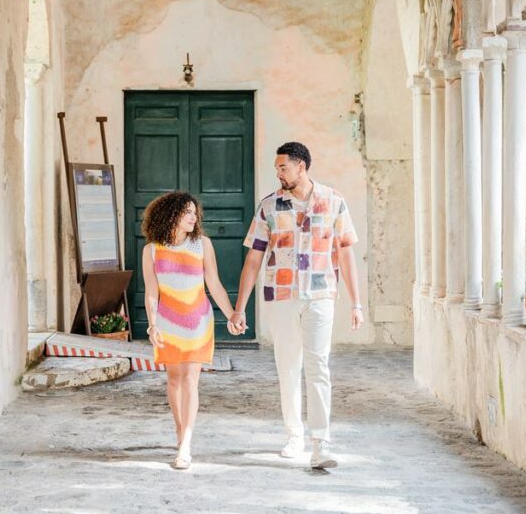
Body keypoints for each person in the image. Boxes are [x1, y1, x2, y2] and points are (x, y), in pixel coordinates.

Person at [228, 141, 363, 469]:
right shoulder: (269, 207)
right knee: (288, 368)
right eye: (277, 168)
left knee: (319, 367)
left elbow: (345, 253)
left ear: (301, 167)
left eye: (283, 167)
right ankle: (294, 435)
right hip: (282, 297)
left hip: (320, 297)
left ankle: (321, 442)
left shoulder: (334, 202)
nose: (278, 173)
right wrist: (239, 307)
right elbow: (253, 259)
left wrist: (356, 303)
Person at [142, 191, 236, 470]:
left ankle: (186, 445)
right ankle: (179, 430)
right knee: (174, 379)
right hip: (167, 323)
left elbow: (214, 285)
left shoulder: (202, 245)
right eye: (187, 213)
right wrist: (152, 323)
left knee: (190, 380)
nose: (194, 218)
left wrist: (232, 315)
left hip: (198, 321)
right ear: (170, 215)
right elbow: (151, 293)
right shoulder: (151, 250)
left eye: (195, 213)